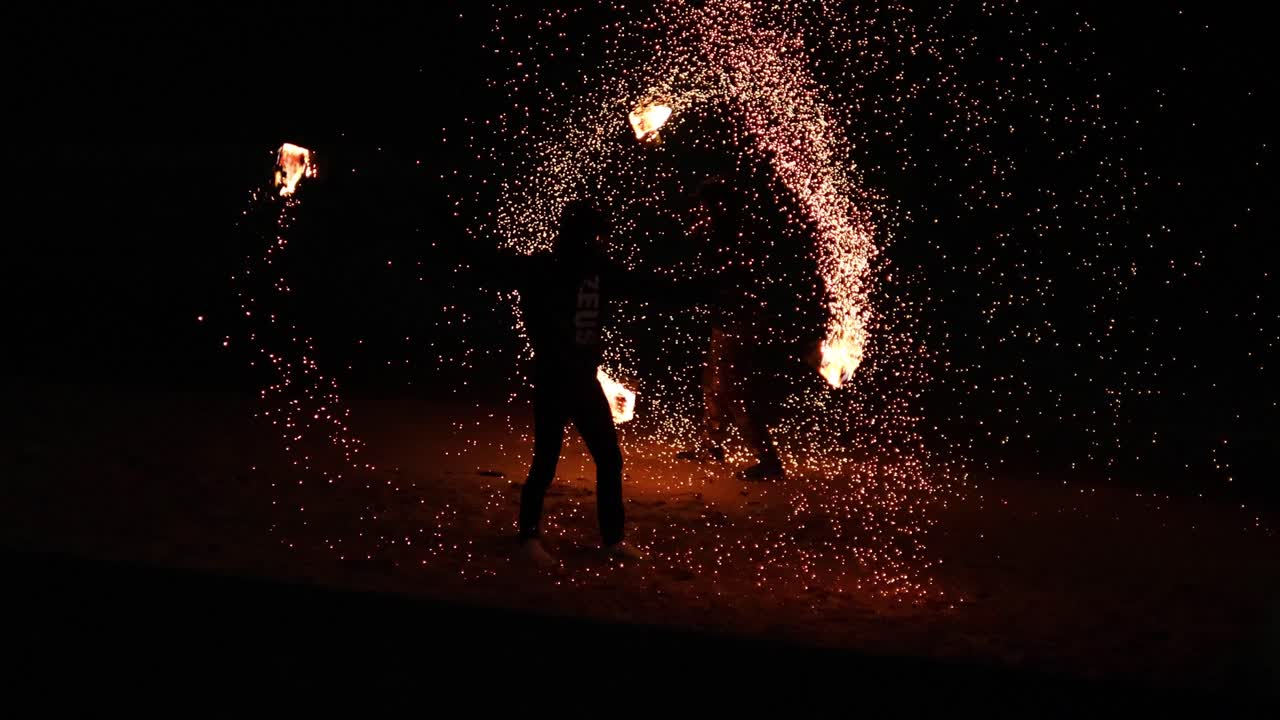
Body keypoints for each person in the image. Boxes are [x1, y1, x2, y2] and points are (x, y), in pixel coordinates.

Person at [472, 201, 650, 566]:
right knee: (546, 462)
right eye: (597, 235)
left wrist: (706, 289)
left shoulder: (596, 271)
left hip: (584, 383)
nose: (602, 242)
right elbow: (490, 263)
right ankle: (528, 538)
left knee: (608, 459)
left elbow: (648, 286)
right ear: (581, 235)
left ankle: (613, 539)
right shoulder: (543, 269)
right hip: (554, 381)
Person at [677, 178, 786, 482]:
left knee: (736, 392)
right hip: (727, 320)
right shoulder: (722, 233)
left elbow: (728, 281)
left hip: (740, 322)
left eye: (705, 204)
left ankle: (768, 461)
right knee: (713, 384)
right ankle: (711, 445)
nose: (700, 210)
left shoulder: (734, 237)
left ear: (718, 206)